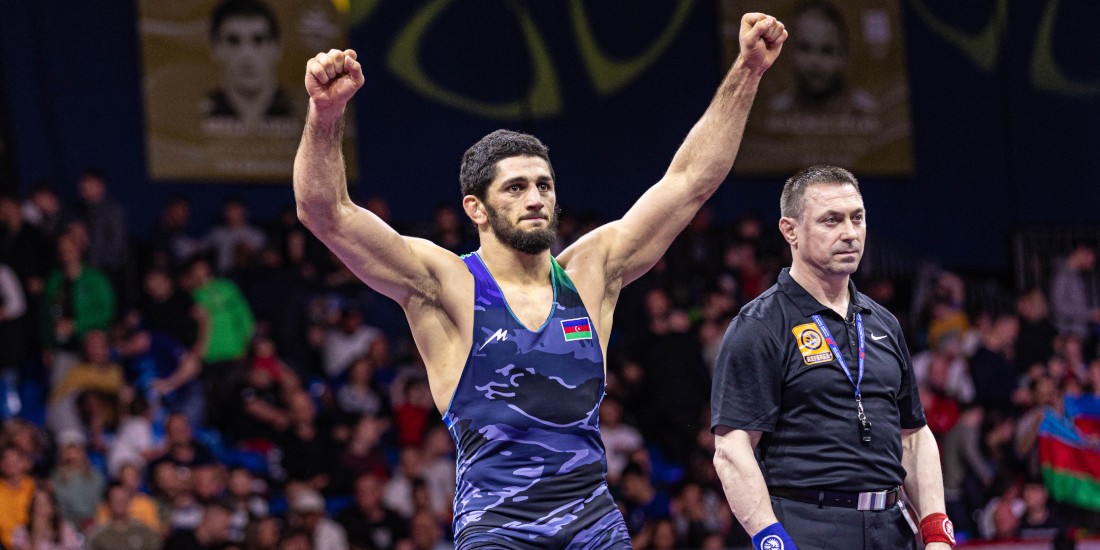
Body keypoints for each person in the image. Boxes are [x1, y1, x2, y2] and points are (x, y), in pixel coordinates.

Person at [293, 12, 787, 549]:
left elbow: (690, 182)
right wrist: (326, 113)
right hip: (496, 530)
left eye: (544, 185)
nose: (535, 199)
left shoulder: (591, 273)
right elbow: (326, 213)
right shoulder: (445, 284)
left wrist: (748, 70)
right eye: (516, 188)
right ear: (475, 208)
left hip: (593, 527)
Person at [710, 166, 953, 549]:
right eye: (831, 220)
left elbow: (913, 435)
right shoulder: (760, 325)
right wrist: (770, 537)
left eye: (857, 218)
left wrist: (936, 529)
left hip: (892, 529)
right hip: (807, 528)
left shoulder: (883, 323)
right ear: (790, 231)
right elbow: (732, 448)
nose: (850, 233)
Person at [204, 0, 295, 126]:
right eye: (233, 41)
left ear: (277, 47)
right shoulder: (196, 113)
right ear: (216, 48)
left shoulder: (301, 110)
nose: (246, 54)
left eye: (259, 40)